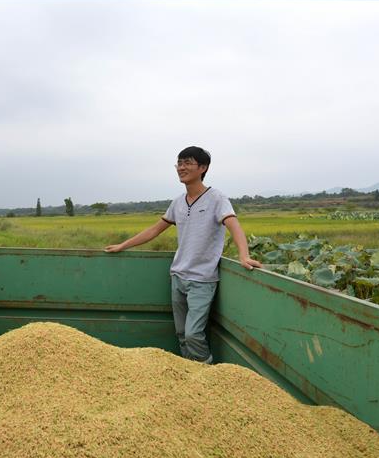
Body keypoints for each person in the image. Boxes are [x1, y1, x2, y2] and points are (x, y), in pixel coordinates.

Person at [104, 146, 262, 363]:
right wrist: (123, 245)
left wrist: (244, 256)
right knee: (181, 334)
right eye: (179, 163)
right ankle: (189, 374)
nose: (181, 167)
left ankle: (207, 374)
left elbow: (234, 225)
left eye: (187, 162)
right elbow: (154, 230)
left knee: (193, 334)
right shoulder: (178, 202)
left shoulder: (217, 198)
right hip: (178, 276)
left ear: (203, 167)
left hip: (202, 280)